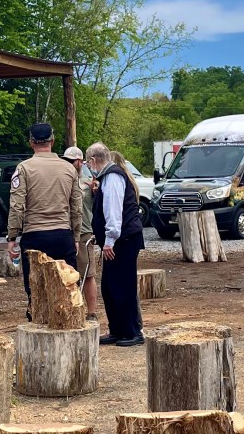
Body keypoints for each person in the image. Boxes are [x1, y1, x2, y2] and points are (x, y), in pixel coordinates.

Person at [7, 123, 82, 321]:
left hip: (35, 237)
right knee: (67, 285)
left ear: (31, 142)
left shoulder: (23, 169)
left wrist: (12, 236)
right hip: (62, 234)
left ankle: (38, 325)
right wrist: (75, 236)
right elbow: (76, 207)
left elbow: (16, 206)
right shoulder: (69, 169)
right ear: (53, 141)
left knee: (36, 289)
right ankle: (68, 327)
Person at [85, 142, 145, 346]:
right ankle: (118, 329)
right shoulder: (107, 177)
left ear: (93, 160)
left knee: (123, 286)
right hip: (117, 240)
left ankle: (133, 332)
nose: (88, 165)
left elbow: (113, 211)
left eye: (88, 161)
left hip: (123, 240)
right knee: (110, 287)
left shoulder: (112, 177)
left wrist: (109, 240)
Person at [61, 146, 98, 321]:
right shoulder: (61, 179)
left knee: (87, 274)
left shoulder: (89, 181)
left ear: (80, 162)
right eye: (66, 160)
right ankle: (71, 309)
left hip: (84, 233)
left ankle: (91, 312)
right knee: (67, 275)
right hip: (64, 232)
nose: (68, 164)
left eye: (71, 161)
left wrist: (95, 191)